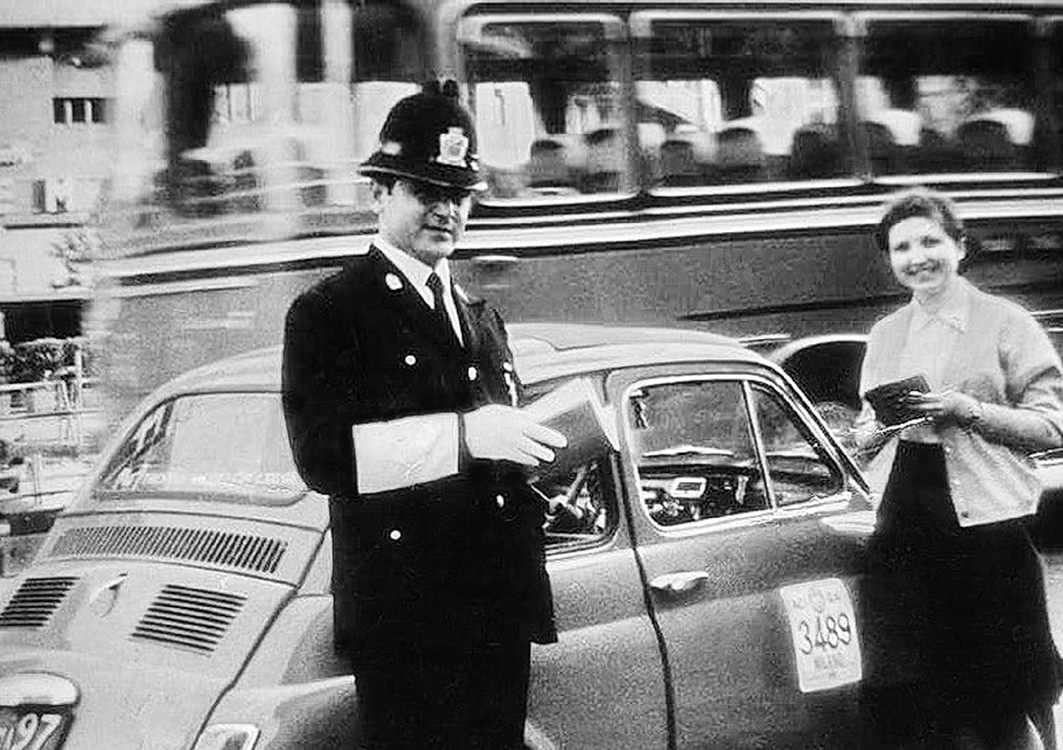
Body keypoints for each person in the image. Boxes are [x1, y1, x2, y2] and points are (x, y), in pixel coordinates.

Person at [281, 79, 567, 749]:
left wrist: (542, 461)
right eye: (425, 191)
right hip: (406, 617)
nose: (447, 211)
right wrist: (466, 437)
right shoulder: (330, 313)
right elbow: (324, 458)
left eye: (460, 196)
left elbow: (494, 450)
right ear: (379, 194)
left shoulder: (480, 316)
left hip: (497, 602)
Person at [855, 187, 1063, 749]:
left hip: (986, 533)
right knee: (923, 698)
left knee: (1002, 696)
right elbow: (865, 433)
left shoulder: (1005, 322)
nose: (918, 258)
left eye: (931, 242)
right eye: (902, 248)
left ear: (960, 247)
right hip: (904, 529)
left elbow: (1051, 426)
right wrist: (876, 430)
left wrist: (968, 411)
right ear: (890, 260)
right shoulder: (886, 333)